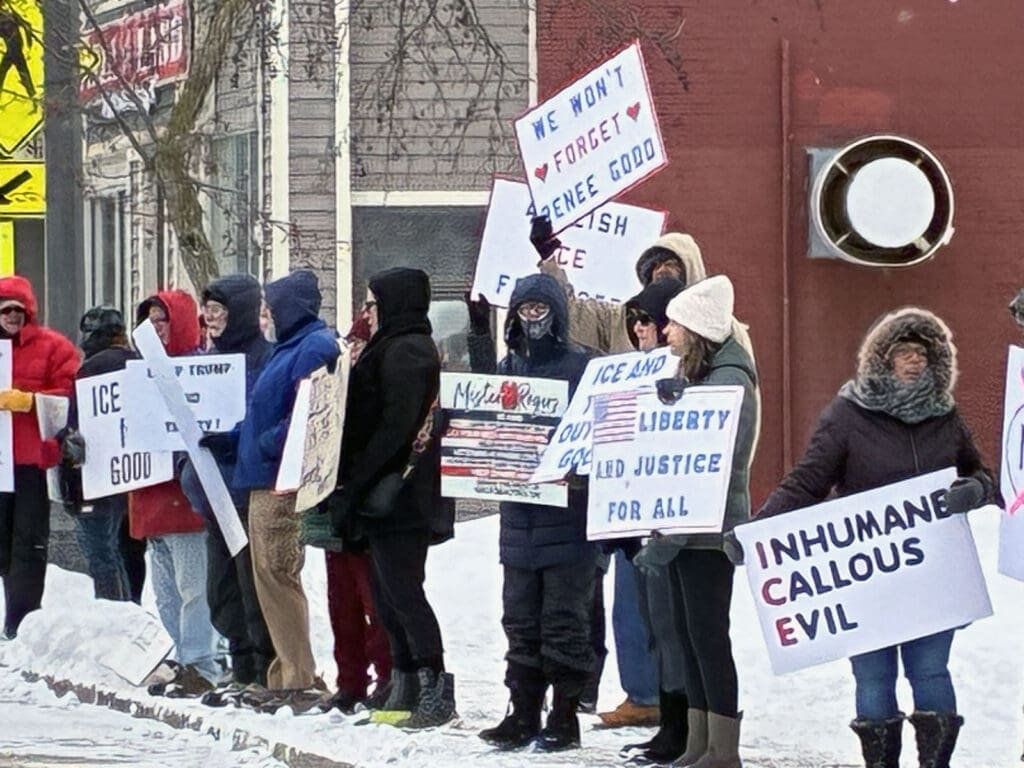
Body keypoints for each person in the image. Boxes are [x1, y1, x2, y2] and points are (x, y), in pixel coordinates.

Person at [755, 307, 996, 768]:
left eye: (923, 353)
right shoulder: (848, 414)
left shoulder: (946, 417)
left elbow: (980, 472)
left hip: (933, 576)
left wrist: (976, 489)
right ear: (882, 359)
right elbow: (808, 481)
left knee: (930, 672)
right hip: (869, 581)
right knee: (874, 679)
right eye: (904, 351)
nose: (914, 361)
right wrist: (758, 530)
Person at [635, 275, 759, 768]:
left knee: (708, 636)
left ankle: (723, 748)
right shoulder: (706, 376)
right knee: (688, 636)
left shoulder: (730, 383)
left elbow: (711, 469)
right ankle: (699, 742)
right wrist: (676, 400)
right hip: (689, 528)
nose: (666, 333)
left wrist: (673, 534)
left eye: (675, 325)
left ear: (698, 330)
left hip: (711, 532)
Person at [470, 273, 598, 751]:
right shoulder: (509, 367)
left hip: (568, 520)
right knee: (520, 620)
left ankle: (564, 716)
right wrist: (479, 335)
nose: (532, 319)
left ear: (557, 313)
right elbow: (475, 409)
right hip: (517, 520)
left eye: (540, 310)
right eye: (523, 310)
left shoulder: (583, 366)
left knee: (565, 621)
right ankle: (522, 711)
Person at [328, 267, 454, 729]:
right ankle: (402, 681)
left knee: (403, 592)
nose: (367, 312)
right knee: (384, 594)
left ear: (396, 304)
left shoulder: (408, 353)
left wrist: (356, 482)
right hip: (382, 494)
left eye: (373, 304)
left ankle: (434, 683)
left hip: (404, 495)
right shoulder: (388, 348)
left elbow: (393, 429)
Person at [231, 269, 340, 713]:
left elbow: (308, 412)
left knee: (278, 572)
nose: (266, 316)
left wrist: (265, 443)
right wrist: (234, 437)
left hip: (282, 479)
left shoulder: (313, 347)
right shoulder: (289, 348)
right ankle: (285, 672)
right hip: (263, 474)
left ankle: (297, 677)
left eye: (272, 308)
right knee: (268, 579)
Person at [180, 274, 276, 702]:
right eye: (207, 311)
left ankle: (259, 668)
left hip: (244, 492)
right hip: (211, 493)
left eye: (218, 311)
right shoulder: (205, 360)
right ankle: (240, 664)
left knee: (251, 586)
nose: (210, 319)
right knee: (222, 589)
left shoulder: (262, 360)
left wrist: (231, 437)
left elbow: (262, 416)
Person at [131, 290, 222, 696]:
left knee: (193, 589)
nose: (155, 326)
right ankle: (185, 658)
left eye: (163, 319)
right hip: (150, 497)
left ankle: (201, 661)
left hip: (184, 501)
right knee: (167, 592)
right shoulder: (136, 374)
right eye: (149, 319)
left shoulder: (202, 372)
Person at [0, 275, 78, 639]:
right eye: (5, 309)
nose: (11, 316)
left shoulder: (53, 347)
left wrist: (29, 401)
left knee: (28, 543)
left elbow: (69, 396)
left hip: (32, 463)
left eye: (18, 309)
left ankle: (22, 622)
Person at [321, 316, 392, 714]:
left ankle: (384, 675)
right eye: (350, 344)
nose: (354, 352)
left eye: (360, 344)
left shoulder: (378, 383)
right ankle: (349, 681)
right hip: (338, 502)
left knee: (374, 601)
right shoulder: (335, 384)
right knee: (341, 601)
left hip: (366, 507)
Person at [59, 306, 135, 602]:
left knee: (101, 554)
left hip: (95, 472)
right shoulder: (137, 362)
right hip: (128, 472)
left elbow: (76, 422)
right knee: (119, 552)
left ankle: (114, 616)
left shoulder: (93, 369)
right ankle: (128, 611)